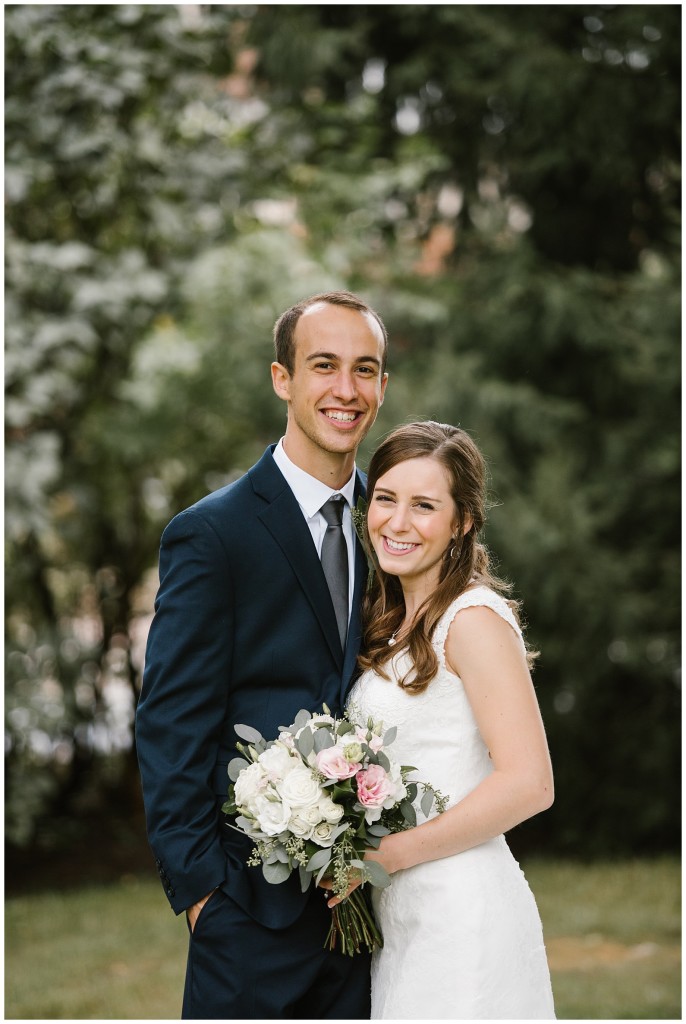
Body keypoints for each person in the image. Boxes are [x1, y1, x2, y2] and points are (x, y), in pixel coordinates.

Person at [135, 290, 389, 1020]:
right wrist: (202, 897)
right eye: (324, 366)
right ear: (283, 379)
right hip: (249, 915)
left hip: (375, 916)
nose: (347, 390)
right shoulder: (213, 535)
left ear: (381, 386)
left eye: (365, 369)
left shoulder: (393, 528)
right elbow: (170, 722)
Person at [341, 420, 556, 1019]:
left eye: (424, 506)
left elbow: (530, 783)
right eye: (385, 498)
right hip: (406, 918)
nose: (398, 522)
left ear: (462, 521)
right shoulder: (392, 623)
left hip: (462, 915)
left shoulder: (472, 619)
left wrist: (388, 857)